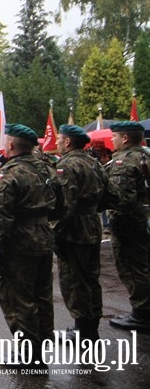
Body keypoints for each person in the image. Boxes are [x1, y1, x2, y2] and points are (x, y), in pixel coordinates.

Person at [0, 124, 57, 358]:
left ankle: (30, 355)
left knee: (18, 298)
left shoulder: (9, 173)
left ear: (12, 145)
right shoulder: (48, 169)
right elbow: (62, 205)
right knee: (42, 294)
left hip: (19, 242)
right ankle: (41, 344)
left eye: (5, 141)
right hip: (44, 236)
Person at [53, 124, 104, 341]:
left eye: (58, 139)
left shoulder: (67, 165)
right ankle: (91, 328)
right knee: (91, 278)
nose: (55, 142)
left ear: (67, 142)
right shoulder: (93, 163)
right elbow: (109, 195)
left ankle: (83, 331)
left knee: (75, 281)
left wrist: (56, 233)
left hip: (74, 229)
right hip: (92, 223)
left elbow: (66, 205)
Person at [104, 120, 150, 333]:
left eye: (114, 136)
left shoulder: (124, 161)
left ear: (124, 138)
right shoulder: (145, 155)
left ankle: (142, 314)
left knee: (133, 268)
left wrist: (116, 221)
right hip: (144, 219)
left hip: (131, 223)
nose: (111, 140)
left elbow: (122, 199)